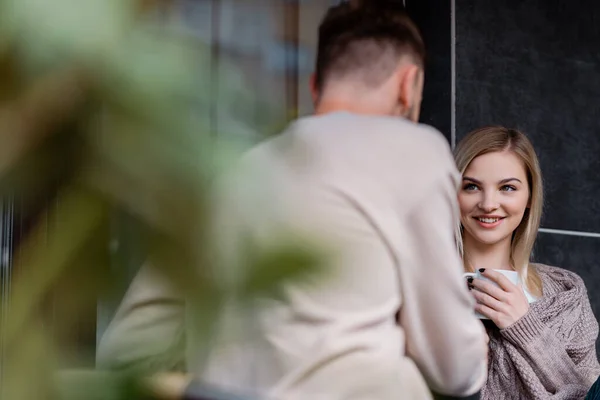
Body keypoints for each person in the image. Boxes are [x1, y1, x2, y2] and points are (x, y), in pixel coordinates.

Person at [98, 2, 488, 399]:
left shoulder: (230, 174)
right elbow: (455, 367)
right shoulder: (415, 147)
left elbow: (127, 351)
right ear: (409, 85)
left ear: (315, 85)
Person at [454, 126, 600, 399]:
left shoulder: (566, 293)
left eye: (507, 188)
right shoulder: (420, 289)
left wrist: (525, 327)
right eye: (472, 186)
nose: (488, 203)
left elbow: (586, 391)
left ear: (530, 197)